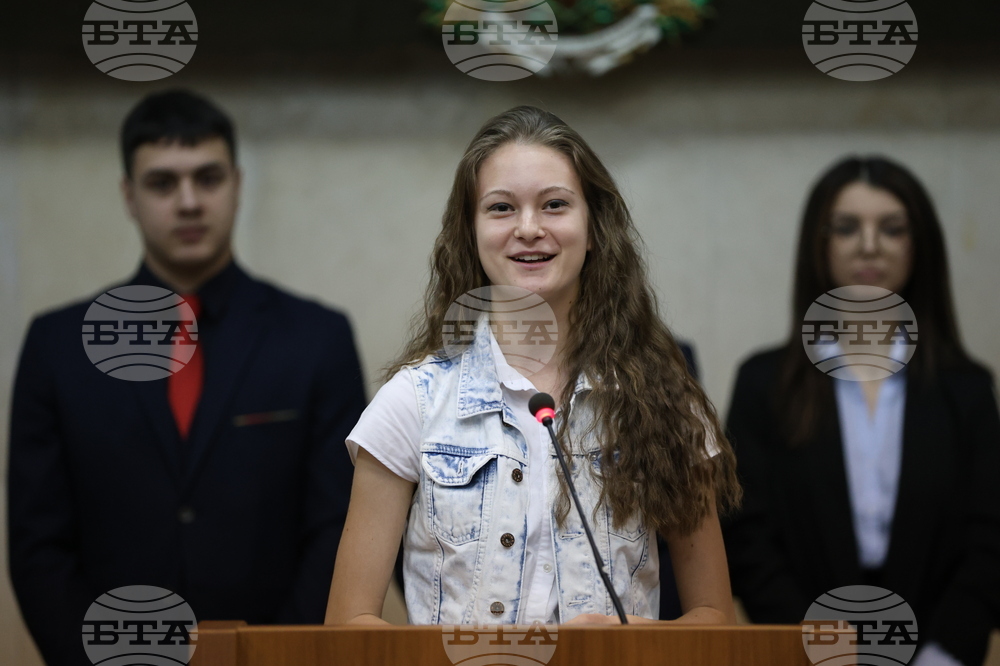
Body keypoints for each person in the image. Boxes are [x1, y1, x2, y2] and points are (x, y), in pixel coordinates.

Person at [325, 105, 741, 626]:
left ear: (593, 231)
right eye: (501, 208)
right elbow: (347, 625)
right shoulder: (414, 400)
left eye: (554, 205)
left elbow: (712, 616)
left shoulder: (664, 400)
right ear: (471, 233)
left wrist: (635, 641)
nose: (528, 228)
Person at [8, 89, 366, 665]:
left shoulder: (315, 339)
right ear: (128, 195)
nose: (189, 201)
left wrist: (277, 657)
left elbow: (338, 530)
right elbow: (38, 547)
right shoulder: (58, 345)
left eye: (208, 177)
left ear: (237, 183)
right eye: (162, 183)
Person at [723, 156, 1000, 665]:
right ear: (819, 243)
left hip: (940, 652)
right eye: (847, 228)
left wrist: (942, 655)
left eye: (891, 229)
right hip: (802, 648)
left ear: (919, 245)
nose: (869, 245)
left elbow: (989, 540)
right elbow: (747, 536)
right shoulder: (765, 383)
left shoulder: (967, 390)